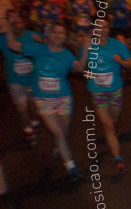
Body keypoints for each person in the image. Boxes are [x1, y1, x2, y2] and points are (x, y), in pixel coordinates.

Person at [4, 21, 89, 181]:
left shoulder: (66, 54)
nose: (58, 35)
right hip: (43, 100)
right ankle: (72, 168)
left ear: (64, 37)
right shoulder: (38, 48)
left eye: (61, 33)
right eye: (55, 32)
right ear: (49, 35)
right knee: (57, 132)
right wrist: (8, 28)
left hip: (63, 99)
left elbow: (79, 68)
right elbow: (13, 45)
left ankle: (59, 146)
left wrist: (85, 50)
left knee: (63, 132)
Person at [83, 18, 131, 174]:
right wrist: (88, 73)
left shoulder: (117, 45)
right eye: (99, 27)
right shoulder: (88, 47)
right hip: (97, 91)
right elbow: (82, 69)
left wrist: (122, 62)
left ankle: (111, 136)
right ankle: (118, 159)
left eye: (105, 27)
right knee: (109, 125)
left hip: (115, 90)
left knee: (114, 120)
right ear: (93, 30)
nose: (103, 30)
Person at [0, 11, 41, 144]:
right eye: (12, 24)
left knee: (34, 105)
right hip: (15, 81)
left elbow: (48, 44)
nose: (16, 25)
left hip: (32, 78)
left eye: (18, 22)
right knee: (22, 108)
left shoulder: (32, 36)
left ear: (23, 23)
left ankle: (35, 124)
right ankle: (28, 130)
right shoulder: (3, 38)